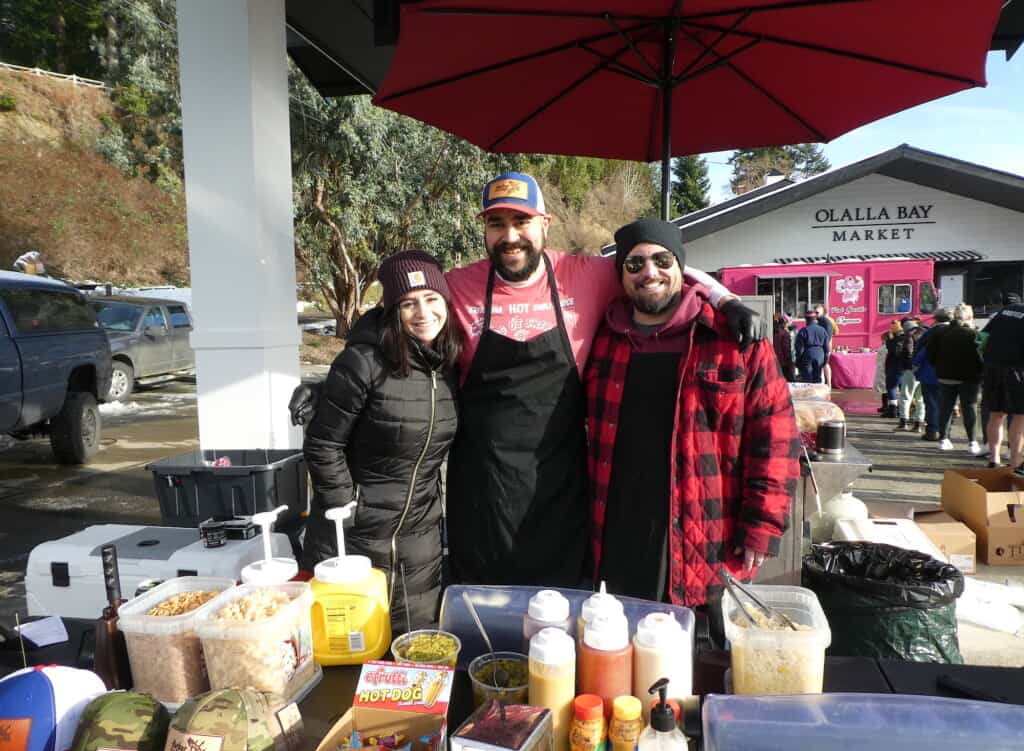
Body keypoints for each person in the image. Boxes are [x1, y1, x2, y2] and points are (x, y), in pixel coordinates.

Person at [293, 172, 759, 589]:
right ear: (485, 229)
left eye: (521, 221)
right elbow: (391, 314)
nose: (510, 236)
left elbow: (658, 271)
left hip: (563, 484)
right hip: (481, 487)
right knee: (482, 614)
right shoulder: (457, 284)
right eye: (497, 224)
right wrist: (334, 381)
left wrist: (723, 299)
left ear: (545, 224)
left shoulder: (588, 275)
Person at [584, 218, 799, 607]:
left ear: (680, 268)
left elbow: (776, 439)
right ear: (620, 275)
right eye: (634, 264)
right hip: (617, 533)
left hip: (705, 534)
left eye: (662, 260)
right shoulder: (603, 338)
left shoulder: (734, 340)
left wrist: (763, 526)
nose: (649, 272)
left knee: (696, 658)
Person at [301, 251, 461, 633]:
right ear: (392, 310)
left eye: (432, 299)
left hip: (419, 544)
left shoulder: (450, 365)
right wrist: (346, 506)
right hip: (353, 539)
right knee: (348, 653)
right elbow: (323, 444)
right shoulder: (362, 362)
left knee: (412, 656)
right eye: (408, 303)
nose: (423, 313)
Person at [927, 303, 983, 454]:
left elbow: (930, 354)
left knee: (945, 408)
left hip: (945, 376)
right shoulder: (973, 334)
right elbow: (980, 358)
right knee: (969, 409)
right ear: (970, 318)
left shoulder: (940, 332)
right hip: (969, 378)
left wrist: (938, 367)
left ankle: (943, 440)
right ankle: (972, 442)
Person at [979, 299, 1024, 471]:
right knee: (1020, 418)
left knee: (996, 415)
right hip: (1017, 370)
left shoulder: (1006, 310)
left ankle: (994, 458)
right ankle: (1016, 463)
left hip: (992, 368)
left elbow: (982, 337)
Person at [912, 308, 951, 442]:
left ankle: (932, 431)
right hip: (951, 373)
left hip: (930, 373)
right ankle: (946, 432)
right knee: (947, 404)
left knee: (931, 403)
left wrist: (915, 367)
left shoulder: (930, 333)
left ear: (936, 318)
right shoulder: (957, 331)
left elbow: (922, 352)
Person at [896, 317, 924, 431]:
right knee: (920, 398)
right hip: (923, 370)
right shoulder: (924, 333)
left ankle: (904, 422)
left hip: (911, 370)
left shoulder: (909, 336)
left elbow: (908, 352)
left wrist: (908, 363)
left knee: (905, 396)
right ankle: (918, 424)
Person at [794, 311, 829, 383]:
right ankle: (818, 393)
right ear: (815, 319)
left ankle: (809, 393)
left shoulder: (803, 331)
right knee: (817, 377)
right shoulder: (822, 330)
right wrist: (825, 359)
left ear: (806, 319)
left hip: (808, 355)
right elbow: (826, 348)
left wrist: (798, 360)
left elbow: (799, 349)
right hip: (820, 355)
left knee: (807, 379)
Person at [882, 319, 907, 418]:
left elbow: (892, 351)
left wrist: (889, 340)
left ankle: (893, 409)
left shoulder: (894, 340)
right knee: (902, 389)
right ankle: (903, 410)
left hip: (894, 367)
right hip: (904, 367)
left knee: (891, 387)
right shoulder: (907, 337)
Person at [813, 303, 836, 387]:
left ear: (823, 312)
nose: (815, 314)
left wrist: (823, 346)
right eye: (815, 312)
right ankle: (825, 384)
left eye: (817, 312)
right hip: (822, 347)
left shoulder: (826, 322)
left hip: (824, 347)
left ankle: (828, 384)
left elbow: (828, 336)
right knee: (823, 365)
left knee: (824, 365)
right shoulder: (818, 321)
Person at [773, 313, 795, 382]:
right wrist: (790, 362)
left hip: (774, 360)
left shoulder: (773, 332)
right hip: (783, 362)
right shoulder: (785, 334)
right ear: (784, 323)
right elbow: (786, 349)